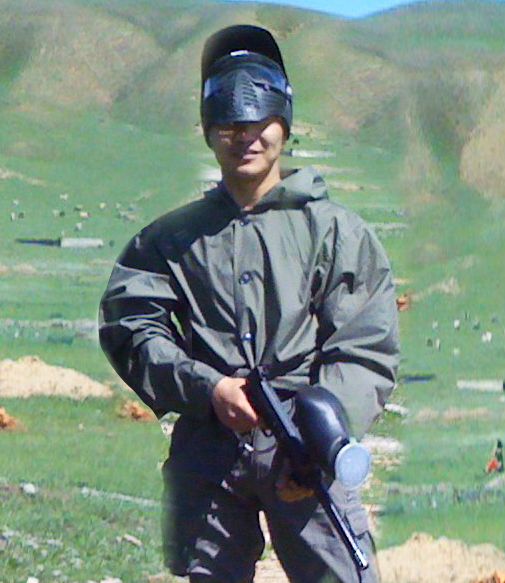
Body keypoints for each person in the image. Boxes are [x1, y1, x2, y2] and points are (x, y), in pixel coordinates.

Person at [99, 24, 399, 583]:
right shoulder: (170, 240)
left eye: (260, 123)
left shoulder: (335, 232)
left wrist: (322, 436)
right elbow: (131, 326)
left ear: (284, 123)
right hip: (208, 456)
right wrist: (207, 388)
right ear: (209, 131)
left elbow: (365, 347)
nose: (246, 137)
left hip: (304, 454)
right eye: (230, 125)